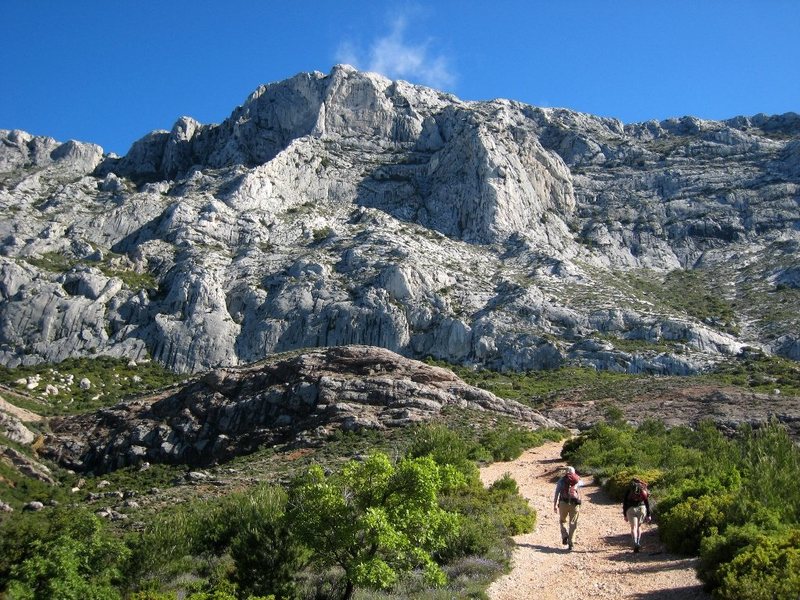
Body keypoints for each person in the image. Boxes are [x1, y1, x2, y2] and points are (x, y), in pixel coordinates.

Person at [553, 466, 583, 551]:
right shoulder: (578, 480)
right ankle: (571, 543)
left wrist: (555, 505)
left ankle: (565, 535)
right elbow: (580, 491)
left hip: (563, 503)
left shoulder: (561, 481)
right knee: (573, 523)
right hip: (575, 504)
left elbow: (556, 493)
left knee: (563, 521)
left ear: (566, 472)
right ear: (574, 472)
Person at [622, 478, 651, 553]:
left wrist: (625, 514)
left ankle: (635, 542)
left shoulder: (629, 489)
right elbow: (646, 502)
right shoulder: (643, 489)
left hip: (630, 509)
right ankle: (638, 541)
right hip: (641, 509)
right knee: (639, 526)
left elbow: (624, 502)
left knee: (633, 527)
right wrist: (649, 514)